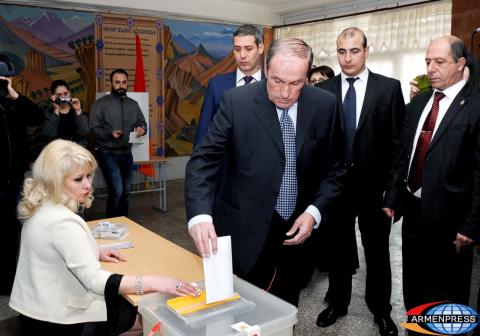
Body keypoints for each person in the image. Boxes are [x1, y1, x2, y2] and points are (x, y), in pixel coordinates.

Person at [185, 37, 345, 306]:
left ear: (307, 75)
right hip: (243, 230)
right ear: (266, 69)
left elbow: (336, 170)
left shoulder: (325, 104)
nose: (285, 93)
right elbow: (203, 161)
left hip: (297, 231)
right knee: (237, 311)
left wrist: (314, 211)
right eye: (276, 81)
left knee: (285, 309)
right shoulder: (237, 102)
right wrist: (200, 215)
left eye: (295, 83)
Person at [9, 139, 199, 335]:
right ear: (55, 181)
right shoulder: (63, 222)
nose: (88, 185)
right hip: (60, 322)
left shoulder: (41, 208)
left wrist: (95, 251)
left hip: (35, 311)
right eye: (78, 179)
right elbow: (96, 281)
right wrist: (156, 282)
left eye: (89, 176)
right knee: (148, 313)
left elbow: (55, 251)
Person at [384, 36, 480, 334]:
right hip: (413, 209)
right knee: (414, 282)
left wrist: (470, 225)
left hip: (452, 218)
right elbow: (403, 154)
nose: (431, 68)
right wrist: (393, 196)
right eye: (428, 61)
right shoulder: (420, 103)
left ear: (460, 64)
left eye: (439, 62)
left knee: (447, 291)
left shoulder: (475, 105)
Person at [315, 27, 405, 336]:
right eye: (342, 51)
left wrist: (393, 195)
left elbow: (398, 147)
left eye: (354, 51)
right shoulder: (324, 90)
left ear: (366, 51)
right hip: (336, 190)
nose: (348, 57)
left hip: (374, 191)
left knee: (377, 253)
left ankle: (381, 311)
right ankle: (337, 304)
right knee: (338, 251)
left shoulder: (388, 89)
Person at [0, 53, 43, 295]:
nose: (3, 82)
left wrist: (15, 96)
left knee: (11, 231)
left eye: (7, 78)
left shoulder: (16, 102)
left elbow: (37, 117)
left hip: (14, 178)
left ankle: (7, 282)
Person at [194, 24, 265, 146]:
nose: (242, 55)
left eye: (248, 49)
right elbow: (203, 131)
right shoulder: (216, 85)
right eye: (237, 49)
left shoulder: (272, 86)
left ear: (260, 48)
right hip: (224, 163)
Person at [90, 68, 147, 218]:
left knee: (126, 192)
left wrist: (142, 128)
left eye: (124, 82)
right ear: (111, 83)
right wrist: (110, 133)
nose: (121, 85)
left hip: (127, 154)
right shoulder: (100, 104)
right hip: (107, 154)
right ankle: (111, 224)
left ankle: (124, 223)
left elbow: (142, 122)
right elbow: (93, 130)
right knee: (117, 191)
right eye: (117, 82)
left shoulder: (133, 104)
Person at [43, 79, 89, 147]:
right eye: (59, 94)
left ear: (69, 93)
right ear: (53, 96)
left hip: (76, 148)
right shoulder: (48, 112)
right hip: (57, 149)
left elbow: (84, 132)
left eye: (65, 93)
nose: (63, 97)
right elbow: (50, 134)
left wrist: (78, 111)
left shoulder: (75, 109)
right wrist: (56, 109)